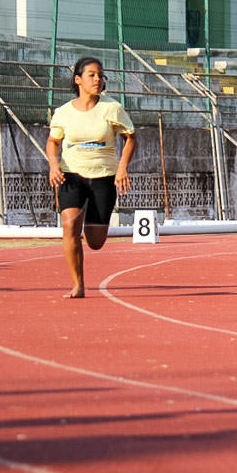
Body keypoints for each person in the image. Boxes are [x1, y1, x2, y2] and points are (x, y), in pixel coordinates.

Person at [46, 57, 136, 298]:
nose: (98, 79)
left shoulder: (112, 107)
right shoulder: (63, 112)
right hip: (71, 174)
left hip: (103, 176)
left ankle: (85, 224)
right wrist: (54, 164)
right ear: (78, 80)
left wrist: (122, 167)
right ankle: (78, 284)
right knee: (69, 225)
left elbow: (131, 137)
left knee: (95, 241)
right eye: (92, 75)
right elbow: (53, 141)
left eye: (100, 75)